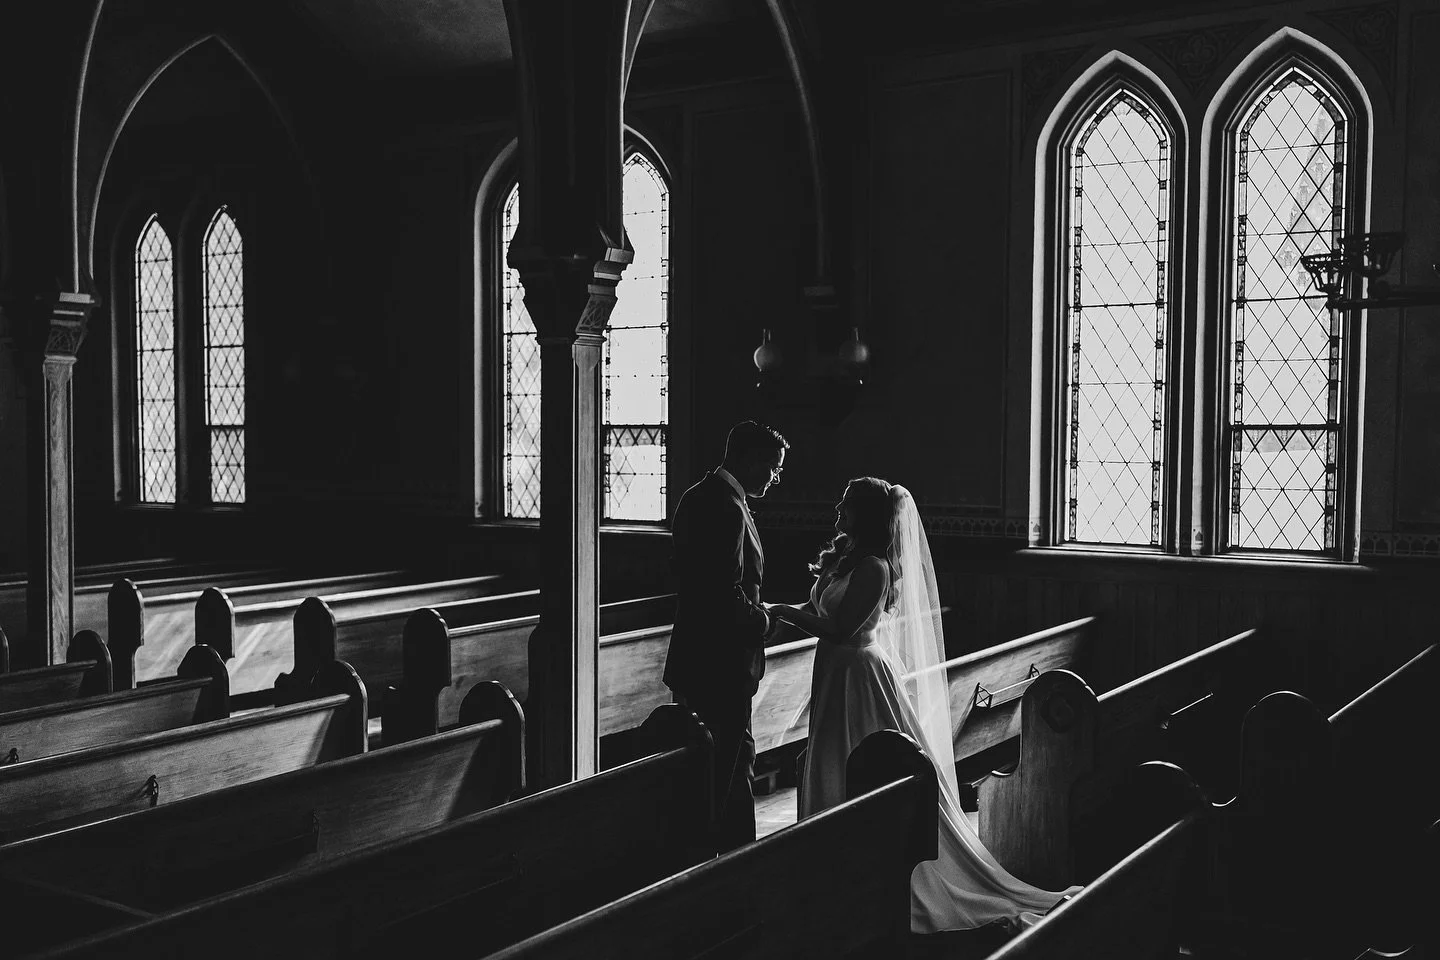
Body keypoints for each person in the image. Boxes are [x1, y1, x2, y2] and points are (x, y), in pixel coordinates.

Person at [769, 478, 1078, 932]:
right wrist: (780, 614)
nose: (838, 506)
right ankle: (830, 872)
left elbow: (841, 629)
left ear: (868, 514)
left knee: (860, 760)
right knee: (830, 755)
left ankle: (884, 874)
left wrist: (782, 612)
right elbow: (820, 604)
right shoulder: (848, 558)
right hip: (835, 674)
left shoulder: (875, 567)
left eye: (848, 503)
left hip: (859, 675)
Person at [663, 420, 789, 855]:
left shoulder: (704, 496)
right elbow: (722, 592)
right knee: (719, 774)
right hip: (719, 664)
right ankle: (713, 865)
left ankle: (735, 861)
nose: (774, 478)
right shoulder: (724, 505)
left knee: (734, 768)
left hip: (707, 660)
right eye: (771, 468)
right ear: (748, 459)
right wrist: (765, 622)